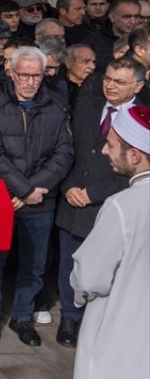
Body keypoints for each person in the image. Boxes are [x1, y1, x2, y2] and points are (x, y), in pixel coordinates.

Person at [0, 45, 74, 346]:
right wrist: (24, 189)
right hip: (3, 196)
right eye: (25, 75)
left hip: (40, 199)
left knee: (34, 263)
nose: (31, 82)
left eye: (37, 76)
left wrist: (33, 191)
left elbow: (64, 154)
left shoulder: (57, 105)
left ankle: (22, 316)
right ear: (11, 72)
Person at [54, 57, 145, 347]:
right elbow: (67, 149)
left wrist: (93, 194)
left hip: (109, 201)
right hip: (72, 198)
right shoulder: (88, 106)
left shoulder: (143, 119)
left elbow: (135, 167)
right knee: (69, 262)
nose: (110, 86)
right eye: (107, 78)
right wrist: (69, 186)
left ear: (139, 85)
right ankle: (69, 316)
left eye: (119, 82)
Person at [69, 105, 149, 379]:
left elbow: (89, 277)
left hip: (118, 336)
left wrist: (80, 295)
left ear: (135, 155)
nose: (105, 151)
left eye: (112, 146)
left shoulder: (122, 206)